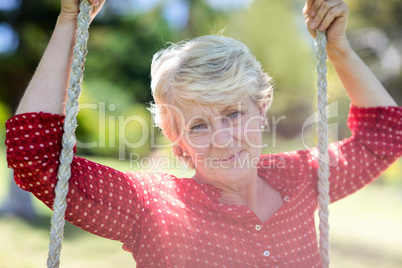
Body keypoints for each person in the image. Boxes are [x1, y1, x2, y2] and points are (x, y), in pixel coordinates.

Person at [5, 0, 401, 267]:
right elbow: (33, 156)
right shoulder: (152, 208)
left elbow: (385, 136)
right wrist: (71, 23)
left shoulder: (300, 177)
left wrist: (339, 49)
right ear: (177, 140)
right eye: (198, 125)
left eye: (233, 113)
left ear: (261, 111)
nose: (223, 139)